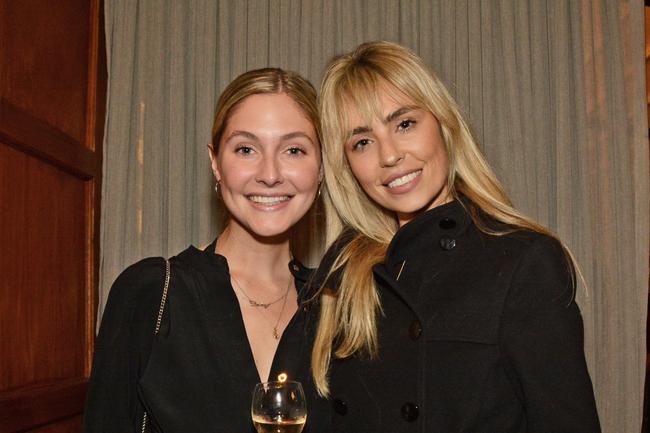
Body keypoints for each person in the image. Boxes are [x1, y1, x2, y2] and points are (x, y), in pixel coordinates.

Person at [311, 41, 601, 433]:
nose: (389, 154)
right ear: (347, 166)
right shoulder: (346, 273)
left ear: (444, 124)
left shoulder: (522, 261)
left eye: (404, 123)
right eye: (362, 142)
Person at [84, 68, 329, 433]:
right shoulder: (152, 293)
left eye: (294, 150)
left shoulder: (336, 308)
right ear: (216, 162)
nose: (270, 173)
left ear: (321, 166)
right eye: (246, 149)